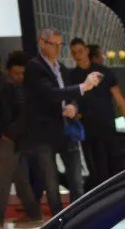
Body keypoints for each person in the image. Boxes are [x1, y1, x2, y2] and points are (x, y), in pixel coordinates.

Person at [24, 30, 99, 216]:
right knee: (51, 184)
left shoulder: (62, 69)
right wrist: (83, 87)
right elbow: (50, 94)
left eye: (60, 45)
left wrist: (73, 106)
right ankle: (59, 222)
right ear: (42, 43)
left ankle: (78, 217)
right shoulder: (34, 67)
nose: (57, 49)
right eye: (53, 44)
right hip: (45, 134)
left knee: (76, 180)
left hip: (67, 130)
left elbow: (70, 96)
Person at [68, 38, 125, 190]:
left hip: (107, 128)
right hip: (88, 132)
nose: (78, 55)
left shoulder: (104, 72)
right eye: (74, 53)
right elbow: (70, 102)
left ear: (87, 51)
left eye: (80, 51)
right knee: (96, 172)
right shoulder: (71, 77)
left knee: (113, 169)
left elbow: (119, 99)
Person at [0, 50, 39, 227]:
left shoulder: (12, 87)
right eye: (17, 73)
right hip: (12, 137)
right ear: (9, 71)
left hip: (11, 138)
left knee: (4, 178)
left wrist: (9, 133)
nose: (20, 77)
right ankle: (33, 212)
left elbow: (21, 115)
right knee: (20, 179)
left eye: (22, 73)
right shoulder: (8, 86)